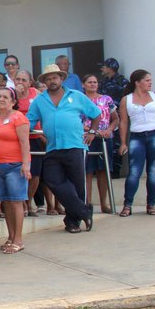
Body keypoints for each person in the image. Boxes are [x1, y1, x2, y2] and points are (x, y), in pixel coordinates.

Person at [27, 64, 101, 233]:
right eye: (48, 78)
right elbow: (29, 120)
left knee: (77, 185)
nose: (52, 81)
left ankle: (72, 222)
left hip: (75, 145)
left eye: (55, 77)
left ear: (61, 78)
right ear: (44, 81)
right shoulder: (40, 100)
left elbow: (96, 114)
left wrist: (92, 132)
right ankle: (83, 210)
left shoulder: (76, 96)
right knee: (52, 180)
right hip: (53, 147)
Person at [118, 69, 155, 217]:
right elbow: (123, 122)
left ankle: (151, 204)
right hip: (137, 136)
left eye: (150, 80)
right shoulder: (127, 100)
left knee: (153, 171)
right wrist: (123, 142)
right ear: (137, 82)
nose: (150, 83)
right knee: (134, 171)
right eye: (147, 80)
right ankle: (127, 205)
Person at [0, 88, 31, 254]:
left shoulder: (19, 117)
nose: (0, 99)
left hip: (15, 165)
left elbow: (24, 143)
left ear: (13, 101)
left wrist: (26, 164)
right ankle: (11, 236)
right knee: (6, 202)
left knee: (16, 202)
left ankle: (18, 239)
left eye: (5, 97)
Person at [81, 74, 118, 213]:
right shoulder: (80, 100)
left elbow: (116, 119)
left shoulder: (107, 99)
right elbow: (76, 119)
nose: (93, 84)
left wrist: (108, 130)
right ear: (83, 84)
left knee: (103, 170)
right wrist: (91, 130)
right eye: (89, 82)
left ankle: (104, 203)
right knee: (87, 171)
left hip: (104, 138)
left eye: (95, 82)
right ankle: (87, 203)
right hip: (86, 137)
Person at [14, 70, 47, 216]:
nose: (20, 82)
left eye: (24, 80)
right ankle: (21, 202)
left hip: (35, 137)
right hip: (16, 137)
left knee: (35, 173)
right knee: (19, 171)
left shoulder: (37, 94)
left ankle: (29, 200)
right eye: (18, 79)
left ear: (30, 82)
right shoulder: (10, 94)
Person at [99, 57, 129, 178]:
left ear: (110, 68)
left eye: (104, 66)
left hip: (119, 117)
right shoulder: (103, 82)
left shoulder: (122, 82)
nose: (102, 69)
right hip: (105, 118)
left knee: (117, 144)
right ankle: (105, 170)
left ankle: (115, 171)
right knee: (106, 144)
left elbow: (127, 98)